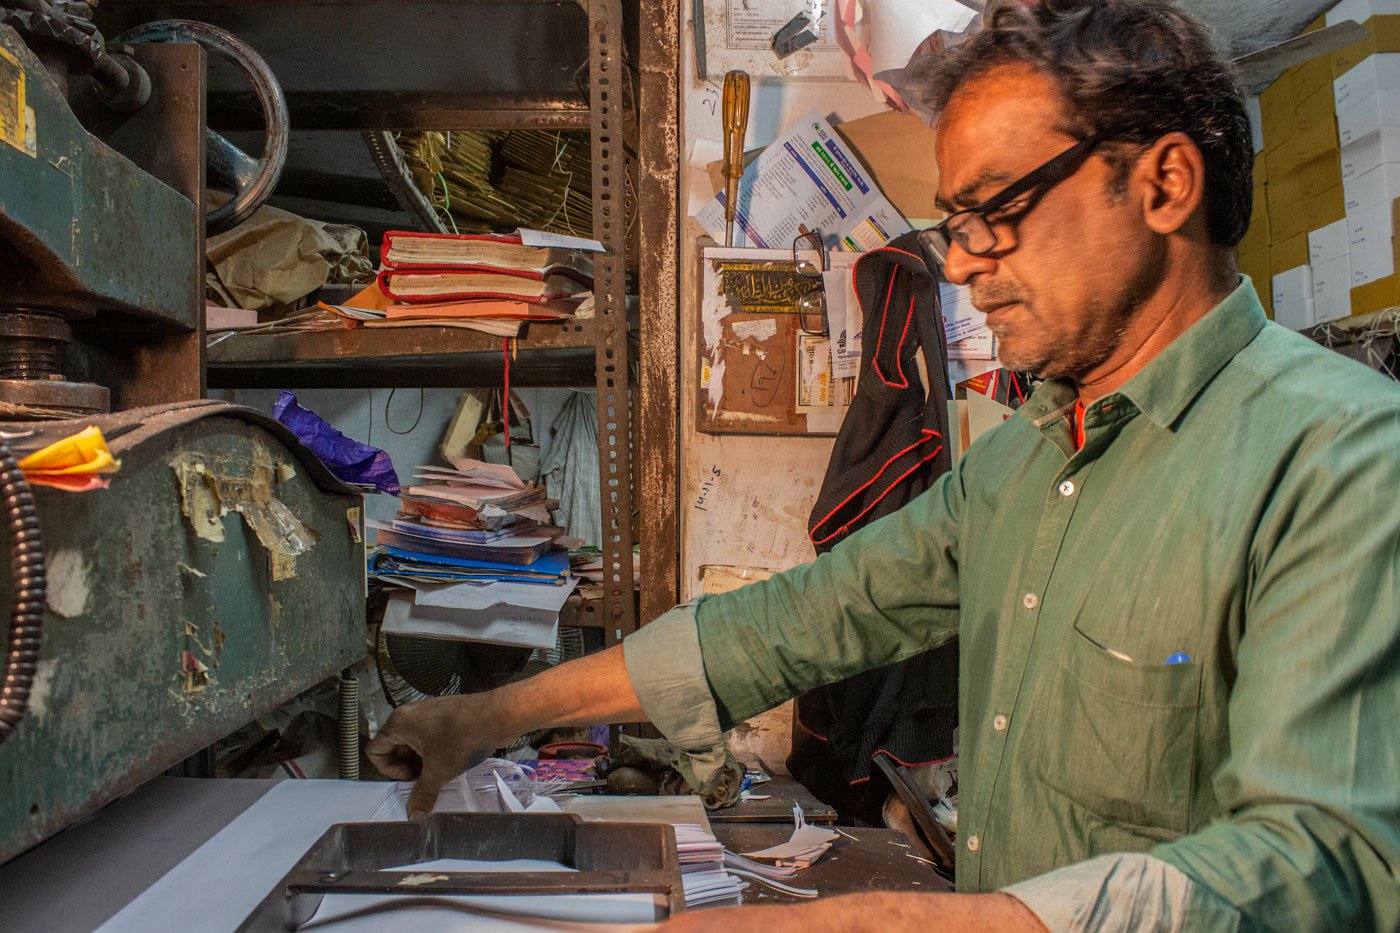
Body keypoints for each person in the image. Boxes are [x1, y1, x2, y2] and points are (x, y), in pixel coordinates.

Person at [369, 0, 1400, 928]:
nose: (958, 263)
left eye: (996, 206)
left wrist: (880, 924)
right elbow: (793, 623)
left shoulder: (1343, 460)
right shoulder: (1025, 467)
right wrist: (488, 716)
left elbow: (1322, 865)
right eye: (954, 223)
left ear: (1163, 183)